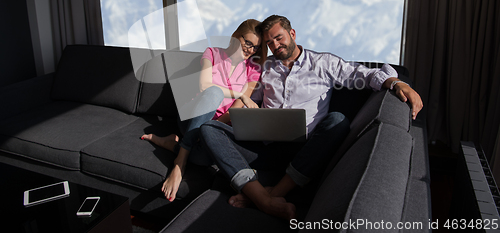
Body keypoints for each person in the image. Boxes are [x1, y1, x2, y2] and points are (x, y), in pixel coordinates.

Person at [198, 15, 423, 220]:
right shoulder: (265, 68)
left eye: (279, 38)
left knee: (337, 121)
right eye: (270, 43)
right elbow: (248, 98)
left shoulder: (323, 63)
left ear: (292, 34)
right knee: (209, 129)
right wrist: (236, 115)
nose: (275, 46)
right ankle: (262, 197)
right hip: (264, 147)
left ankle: (271, 195)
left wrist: (397, 83)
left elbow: (363, 74)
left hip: (305, 151)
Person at [141, 19, 267, 201]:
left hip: (214, 125)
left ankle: (172, 144)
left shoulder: (252, 69)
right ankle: (180, 161)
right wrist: (240, 94)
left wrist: (209, 129)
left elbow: (236, 110)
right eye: (247, 42)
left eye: (256, 47)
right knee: (214, 92)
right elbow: (205, 85)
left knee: (205, 158)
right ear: (235, 36)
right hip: (191, 118)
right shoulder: (213, 53)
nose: (250, 49)